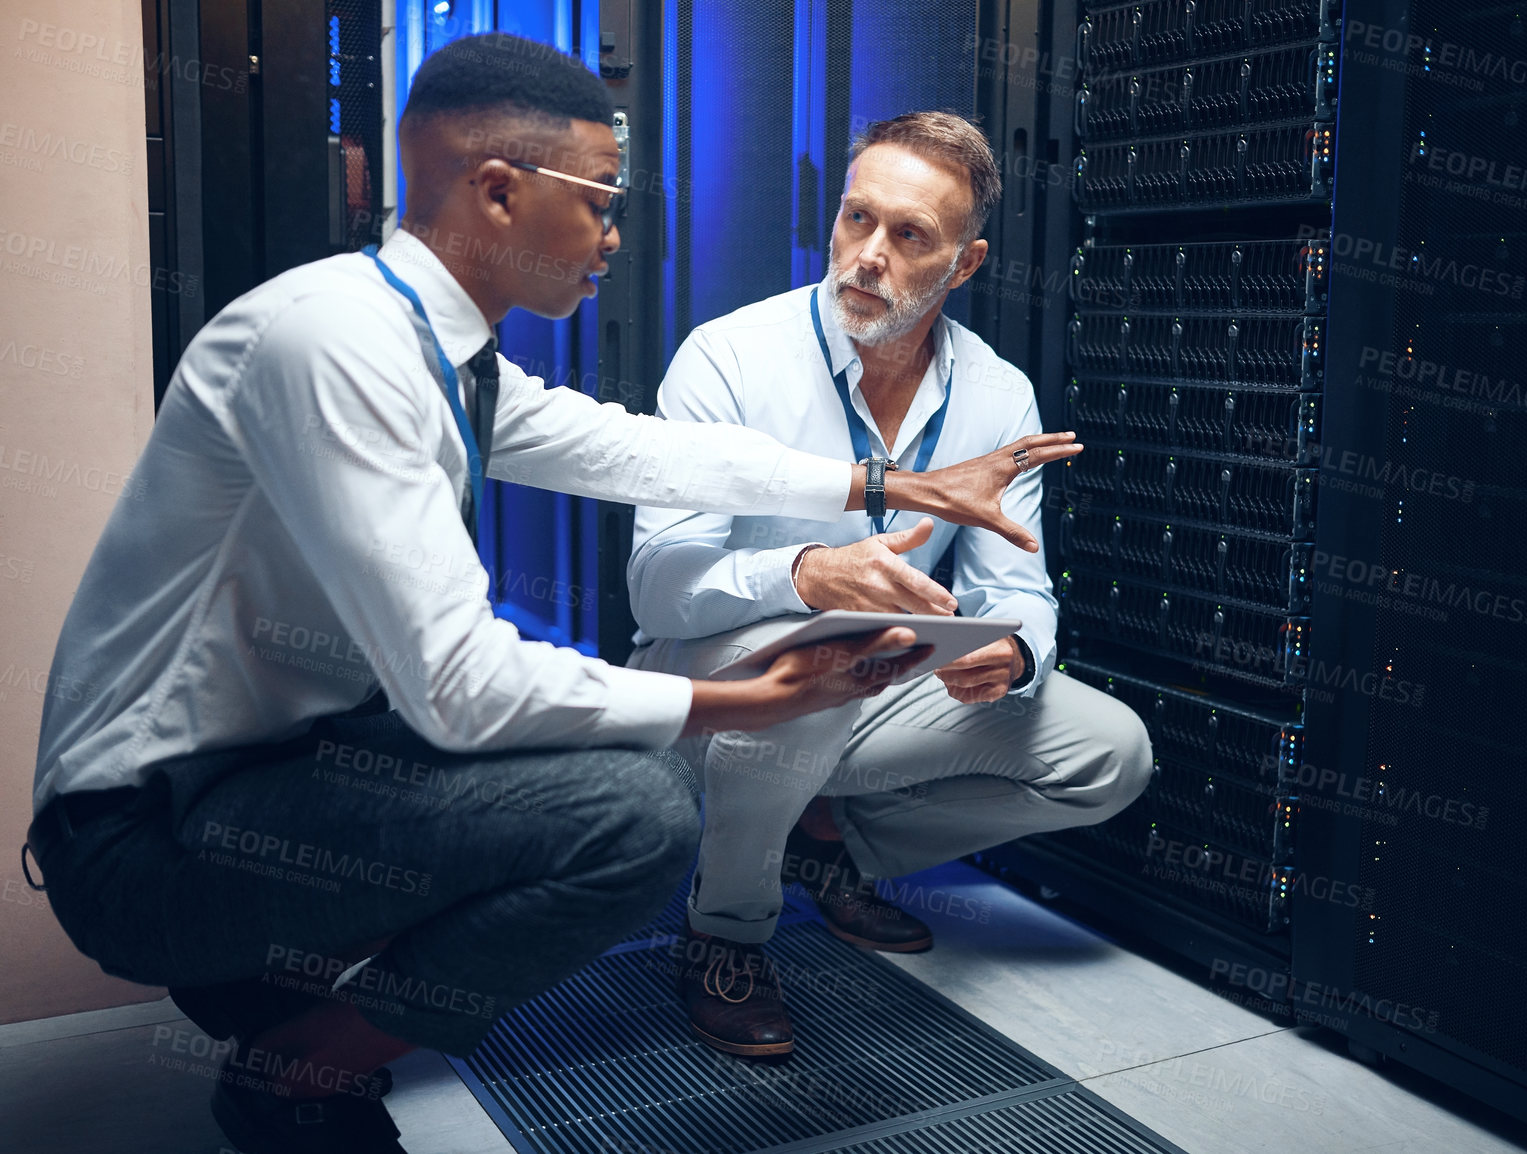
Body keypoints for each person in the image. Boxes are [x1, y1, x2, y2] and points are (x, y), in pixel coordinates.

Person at [21, 39, 1077, 1154]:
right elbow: (462, 690)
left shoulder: (438, 350)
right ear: (498, 191)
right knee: (636, 814)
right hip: (146, 836)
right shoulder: (336, 345)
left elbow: (641, 454)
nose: (614, 238)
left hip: (255, 774)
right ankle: (290, 1067)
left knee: (583, 774)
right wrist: (749, 700)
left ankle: (268, 983)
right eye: (599, 204)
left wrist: (882, 480)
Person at [627, 111, 1154, 1059]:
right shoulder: (729, 358)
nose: (867, 255)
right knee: (826, 655)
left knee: (1110, 755)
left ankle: (829, 843)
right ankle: (726, 930)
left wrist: (1015, 648)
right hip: (721, 688)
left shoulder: (998, 396)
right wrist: (804, 574)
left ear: (964, 264)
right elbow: (657, 591)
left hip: (875, 692)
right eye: (855, 218)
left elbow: (1018, 585)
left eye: (908, 235)